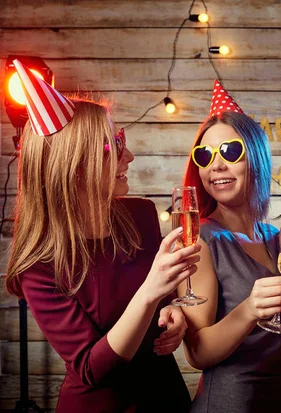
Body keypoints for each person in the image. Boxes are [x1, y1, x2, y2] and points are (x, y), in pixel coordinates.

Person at [4, 60, 196, 412]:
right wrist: (151, 291)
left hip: (165, 397)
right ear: (74, 167)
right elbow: (93, 369)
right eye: (114, 145)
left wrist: (174, 313)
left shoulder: (141, 215)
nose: (130, 156)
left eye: (120, 139)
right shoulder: (38, 265)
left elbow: (163, 301)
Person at [180, 81, 281, 413]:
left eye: (231, 152)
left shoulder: (277, 238)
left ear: (256, 157)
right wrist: (249, 310)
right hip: (232, 404)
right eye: (205, 156)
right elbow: (198, 353)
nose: (216, 165)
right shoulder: (201, 241)